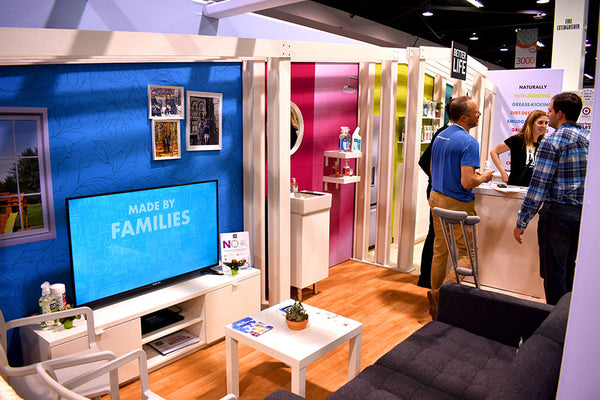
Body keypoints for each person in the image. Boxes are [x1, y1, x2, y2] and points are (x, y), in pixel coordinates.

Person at [514, 92, 589, 305]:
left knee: (554, 274)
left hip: (558, 214)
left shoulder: (552, 142)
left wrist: (522, 220)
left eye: (549, 110)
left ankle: (553, 326)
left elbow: (539, 186)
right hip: (583, 214)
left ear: (560, 113)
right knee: (571, 270)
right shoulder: (589, 140)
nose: (548, 115)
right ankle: (568, 323)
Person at [427, 95, 493, 319]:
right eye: (476, 112)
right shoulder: (469, 142)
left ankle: (435, 295)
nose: (479, 114)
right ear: (464, 117)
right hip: (457, 203)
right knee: (467, 253)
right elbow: (467, 182)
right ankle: (441, 295)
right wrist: (483, 178)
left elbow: (434, 167)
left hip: (436, 197)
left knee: (440, 249)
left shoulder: (441, 136)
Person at [416, 97, 454, 288]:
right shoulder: (444, 134)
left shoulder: (448, 133)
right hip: (438, 190)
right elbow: (424, 160)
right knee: (436, 235)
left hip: (438, 188)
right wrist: (438, 178)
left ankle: (428, 279)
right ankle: (426, 278)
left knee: (436, 235)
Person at [490, 110, 548, 186]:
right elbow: (494, 152)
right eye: (540, 122)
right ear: (531, 124)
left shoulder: (543, 143)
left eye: (546, 123)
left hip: (533, 188)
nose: (544, 126)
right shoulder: (517, 139)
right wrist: (503, 173)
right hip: (515, 187)